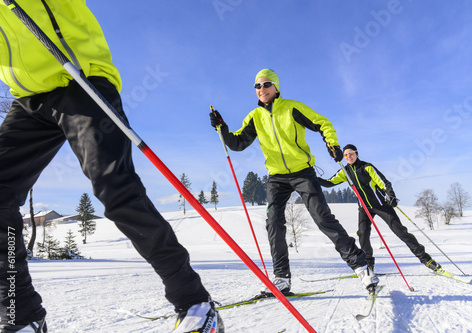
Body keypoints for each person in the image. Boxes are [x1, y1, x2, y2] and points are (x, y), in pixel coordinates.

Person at [0, 2, 222, 332]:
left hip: (78, 76)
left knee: (115, 188)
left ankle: (194, 302)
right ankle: (22, 316)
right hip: (29, 97)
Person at [209, 69, 378, 295]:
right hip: (276, 177)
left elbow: (322, 123)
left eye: (266, 84)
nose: (261, 89)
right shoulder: (254, 117)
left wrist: (333, 144)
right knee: (273, 223)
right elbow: (238, 144)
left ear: (276, 87)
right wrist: (222, 127)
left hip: (302, 172)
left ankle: (361, 267)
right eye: (257, 86)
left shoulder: (292, 107)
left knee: (323, 218)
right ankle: (281, 278)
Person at [319, 144, 441, 273]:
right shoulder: (345, 172)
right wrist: (312, 178)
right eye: (346, 155)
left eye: (351, 153)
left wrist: (391, 195)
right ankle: (368, 264)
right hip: (364, 208)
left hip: (381, 205)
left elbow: (384, 183)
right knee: (363, 234)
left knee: (401, 232)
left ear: (357, 153)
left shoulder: (367, 167)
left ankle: (426, 260)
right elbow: (329, 182)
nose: (349, 156)